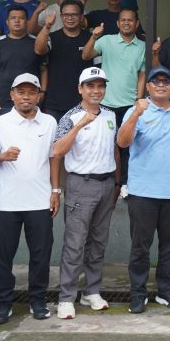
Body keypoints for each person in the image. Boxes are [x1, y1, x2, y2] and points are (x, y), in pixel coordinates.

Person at [118, 66, 170, 312]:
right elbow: (123, 142)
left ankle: (166, 291)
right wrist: (135, 114)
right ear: (148, 86)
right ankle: (138, 294)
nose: (161, 85)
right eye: (156, 81)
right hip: (143, 192)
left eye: (166, 81)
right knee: (140, 247)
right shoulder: (136, 110)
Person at [0, 73, 59, 325]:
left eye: (31, 92)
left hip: (40, 200)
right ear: (12, 95)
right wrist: (3, 156)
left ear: (39, 95)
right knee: (2, 257)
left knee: (41, 255)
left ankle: (37, 300)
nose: (26, 97)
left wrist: (55, 191)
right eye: (21, 92)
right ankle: (3, 304)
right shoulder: (0, 123)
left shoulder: (49, 122)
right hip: (7, 202)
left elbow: (54, 158)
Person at [51, 67, 120, 319]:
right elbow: (57, 151)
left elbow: (114, 150)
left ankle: (91, 291)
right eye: (90, 86)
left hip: (106, 183)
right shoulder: (70, 117)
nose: (96, 90)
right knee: (75, 243)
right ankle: (66, 297)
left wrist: (117, 183)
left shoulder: (111, 115)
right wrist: (80, 125)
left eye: (100, 85)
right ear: (80, 89)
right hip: (81, 184)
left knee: (98, 242)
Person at [81, 8, 146, 135]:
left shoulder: (143, 46)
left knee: (126, 142)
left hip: (130, 104)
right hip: (105, 102)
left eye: (130, 20)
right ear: (118, 23)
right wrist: (93, 37)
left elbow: (142, 75)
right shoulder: (106, 40)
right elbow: (86, 56)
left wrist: (138, 98)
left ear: (137, 23)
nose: (126, 23)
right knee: (105, 140)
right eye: (123, 20)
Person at [34, 0, 94, 122]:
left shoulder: (91, 39)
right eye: (66, 14)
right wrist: (47, 26)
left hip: (84, 102)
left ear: (81, 17)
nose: (70, 18)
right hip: (55, 103)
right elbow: (39, 50)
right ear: (61, 16)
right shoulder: (52, 37)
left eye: (74, 14)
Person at [0, 5, 42, 118]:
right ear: (7, 22)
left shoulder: (37, 42)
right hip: (2, 100)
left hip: (30, 100)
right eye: (13, 18)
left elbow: (44, 69)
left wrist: (42, 92)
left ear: (27, 21)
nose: (17, 21)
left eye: (21, 18)